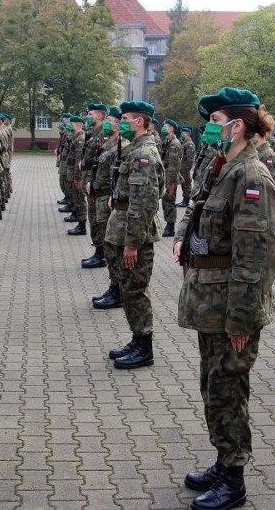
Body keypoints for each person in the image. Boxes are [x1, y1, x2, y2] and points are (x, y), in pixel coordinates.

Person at [173, 87, 275, 510]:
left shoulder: (251, 177)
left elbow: (257, 258)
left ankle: (233, 478)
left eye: (215, 121)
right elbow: (195, 211)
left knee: (228, 391)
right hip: (209, 300)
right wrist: (184, 238)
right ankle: (222, 460)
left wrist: (242, 320)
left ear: (237, 125)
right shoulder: (222, 167)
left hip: (230, 307)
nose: (209, 128)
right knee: (213, 386)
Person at [104, 100, 164, 369]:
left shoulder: (144, 155)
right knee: (129, 291)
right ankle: (137, 339)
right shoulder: (133, 150)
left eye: (126, 118)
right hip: (124, 229)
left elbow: (144, 204)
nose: (121, 122)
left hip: (135, 235)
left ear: (139, 121)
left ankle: (144, 346)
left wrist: (132, 244)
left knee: (136, 292)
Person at [92, 107, 129, 309]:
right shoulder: (112, 143)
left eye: (120, 120)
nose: (111, 123)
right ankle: (115, 287)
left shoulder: (124, 146)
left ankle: (118, 290)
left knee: (114, 249)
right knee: (110, 247)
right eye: (118, 119)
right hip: (109, 199)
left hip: (116, 203)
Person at [81, 103, 108, 267]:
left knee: (99, 221)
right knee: (94, 219)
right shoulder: (91, 133)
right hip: (90, 183)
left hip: (98, 186)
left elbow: (102, 161)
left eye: (91, 114)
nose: (88, 117)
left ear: (99, 116)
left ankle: (101, 255)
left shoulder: (104, 135)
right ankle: (98, 251)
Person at [160, 119, 183, 237]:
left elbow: (174, 165)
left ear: (172, 129)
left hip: (170, 177)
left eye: (166, 126)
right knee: (166, 202)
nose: (163, 128)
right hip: (166, 176)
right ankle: (168, 224)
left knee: (169, 202)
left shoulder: (174, 143)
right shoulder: (167, 141)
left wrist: (170, 182)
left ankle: (170, 227)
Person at [65, 115, 88, 235]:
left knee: (79, 200)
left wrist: (78, 178)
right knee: (76, 198)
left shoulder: (80, 139)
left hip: (77, 175)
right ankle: (79, 222)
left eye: (72, 124)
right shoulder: (75, 137)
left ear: (78, 125)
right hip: (72, 173)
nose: (70, 126)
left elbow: (79, 161)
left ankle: (82, 225)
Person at [177, 125, 195, 208]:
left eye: (183, 133)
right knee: (184, 185)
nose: (181, 134)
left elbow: (190, 158)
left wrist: (189, 170)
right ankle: (184, 199)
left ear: (188, 134)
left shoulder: (189, 144)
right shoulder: (184, 143)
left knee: (186, 184)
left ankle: (186, 201)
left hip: (186, 169)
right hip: (182, 168)